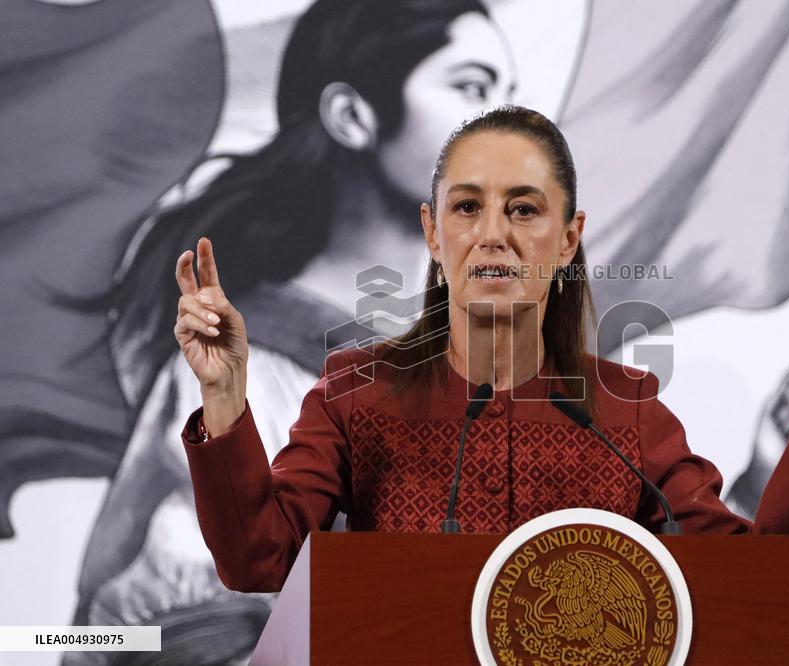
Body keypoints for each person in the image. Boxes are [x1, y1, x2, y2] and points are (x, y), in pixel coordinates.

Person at [174, 105, 789, 592]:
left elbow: (748, 589)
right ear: (432, 233)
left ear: (568, 236)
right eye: (467, 207)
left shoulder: (626, 414)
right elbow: (258, 559)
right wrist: (226, 402)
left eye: (523, 209)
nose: (494, 234)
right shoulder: (354, 394)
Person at [69, 0, 516, 661]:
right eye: (473, 89)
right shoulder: (254, 364)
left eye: (513, 97)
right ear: (352, 116)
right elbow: (152, 636)